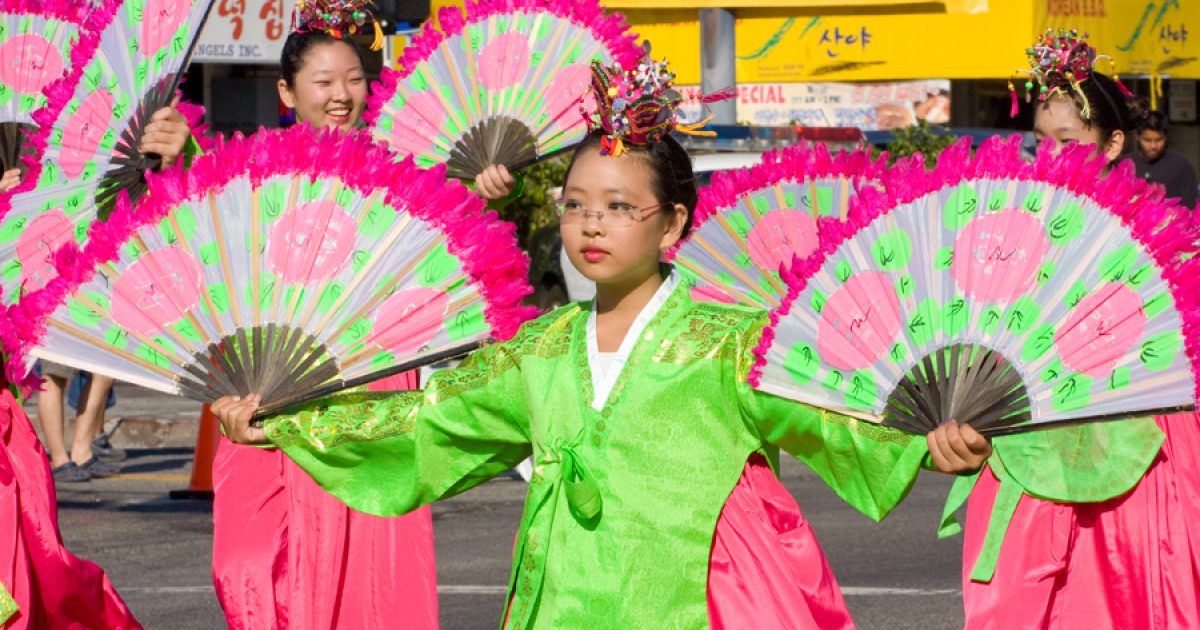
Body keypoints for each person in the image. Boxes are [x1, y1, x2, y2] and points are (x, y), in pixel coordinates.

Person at [214, 52, 991, 628]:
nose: (591, 222)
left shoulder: (732, 344)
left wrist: (929, 438)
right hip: (564, 601)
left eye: (621, 206)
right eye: (578, 203)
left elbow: (834, 411)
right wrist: (287, 423)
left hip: (698, 599)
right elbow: (427, 423)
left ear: (674, 223)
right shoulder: (541, 350)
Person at [950, 30, 1200, 629]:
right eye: (1039, 141)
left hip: (1141, 458)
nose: (1050, 154)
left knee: (1127, 598)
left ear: (1113, 143)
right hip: (1024, 454)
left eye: (1068, 140)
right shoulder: (1008, 232)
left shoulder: (1162, 240)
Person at [1131, 108, 1198, 208]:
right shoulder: (1126, 165)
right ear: (1138, 137)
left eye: (1158, 140)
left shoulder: (1181, 166)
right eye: (1147, 140)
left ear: (1165, 137)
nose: (1153, 146)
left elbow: (1191, 206)